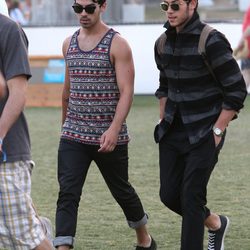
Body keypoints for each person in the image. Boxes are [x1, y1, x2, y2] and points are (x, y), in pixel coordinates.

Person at [53, 0, 157, 250]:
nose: (83, 14)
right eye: (78, 9)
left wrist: (113, 129)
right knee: (67, 193)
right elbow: (68, 89)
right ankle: (63, 245)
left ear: (103, 7)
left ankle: (144, 238)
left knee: (122, 191)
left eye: (89, 8)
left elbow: (127, 91)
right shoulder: (69, 43)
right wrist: (65, 127)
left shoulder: (117, 44)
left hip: (109, 137)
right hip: (73, 135)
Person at [154, 1, 247, 250]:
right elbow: (164, 86)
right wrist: (162, 119)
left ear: (192, 4)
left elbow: (236, 90)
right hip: (172, 131)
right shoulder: (162, 42)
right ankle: (216, 223)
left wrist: (218, 130)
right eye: (165, 5)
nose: (169, 10)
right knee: (169, 196)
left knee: (192, 198)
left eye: (175, 5)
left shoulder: (212, 40)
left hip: (205, 132)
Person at [0, 9, 53, 250]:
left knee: (24, 237)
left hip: (6, 153)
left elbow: (16, 94)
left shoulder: (8, 30)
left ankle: (40, 230)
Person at [234, 5, 250, 93]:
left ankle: (238, 97)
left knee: (246, 72)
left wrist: (241, 40)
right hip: (247, 46)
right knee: (246, 72)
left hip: (248, 47)